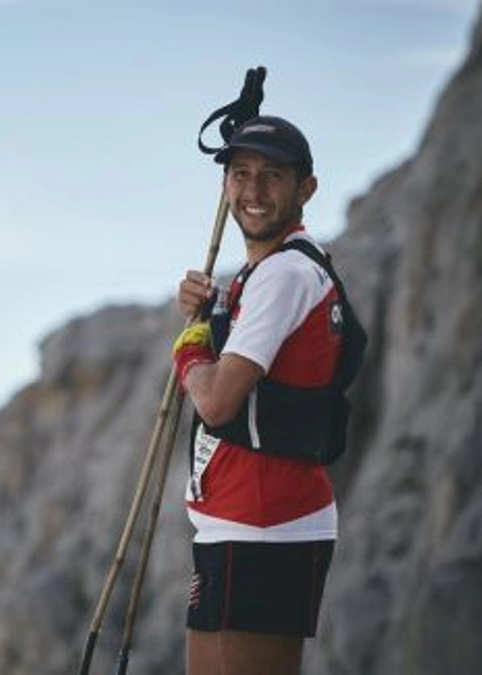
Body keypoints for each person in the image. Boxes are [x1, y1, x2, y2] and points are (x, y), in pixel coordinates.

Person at [172, 115, 343, 675]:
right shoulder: (264, 273)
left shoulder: (285, 275)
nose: (253, 190)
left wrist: (189, 349)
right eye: (240, 174)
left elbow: (217, 401)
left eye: (272, 175)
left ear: (306, 189)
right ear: (225, 187)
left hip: (267, 524)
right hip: (239, 522)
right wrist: (210, 314)